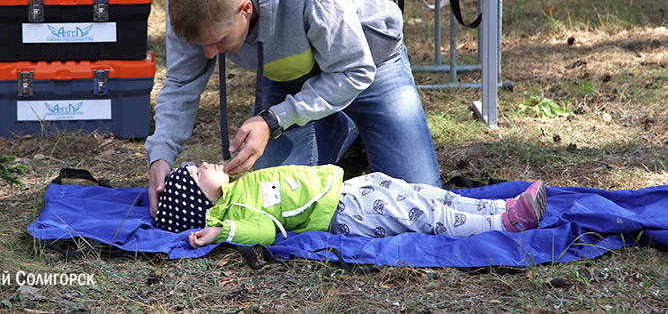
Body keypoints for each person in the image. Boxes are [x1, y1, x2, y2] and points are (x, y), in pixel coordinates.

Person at [145, 0, 442, 217]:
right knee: (267, 197)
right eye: (202, 46)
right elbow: (182, 82)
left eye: (218, 42)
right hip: (290, 73)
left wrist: (273, 120)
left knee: (421, 201)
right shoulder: (193, 6)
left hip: (366, 63)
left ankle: (353, 124)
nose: (209, 54)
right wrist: (160, 155)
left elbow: (354, 70)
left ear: (245, 9)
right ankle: (342, 139)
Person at [152, 162, 548, 247]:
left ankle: (500, 208)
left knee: (431, 195)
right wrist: (223, 232)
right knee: (428, 216)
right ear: (199, 196)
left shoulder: (237, 189)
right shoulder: (235, 212)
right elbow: (268, 231)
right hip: (347, 211)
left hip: (351, 189)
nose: (203, 164)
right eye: (195, 172)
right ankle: (505, 225)